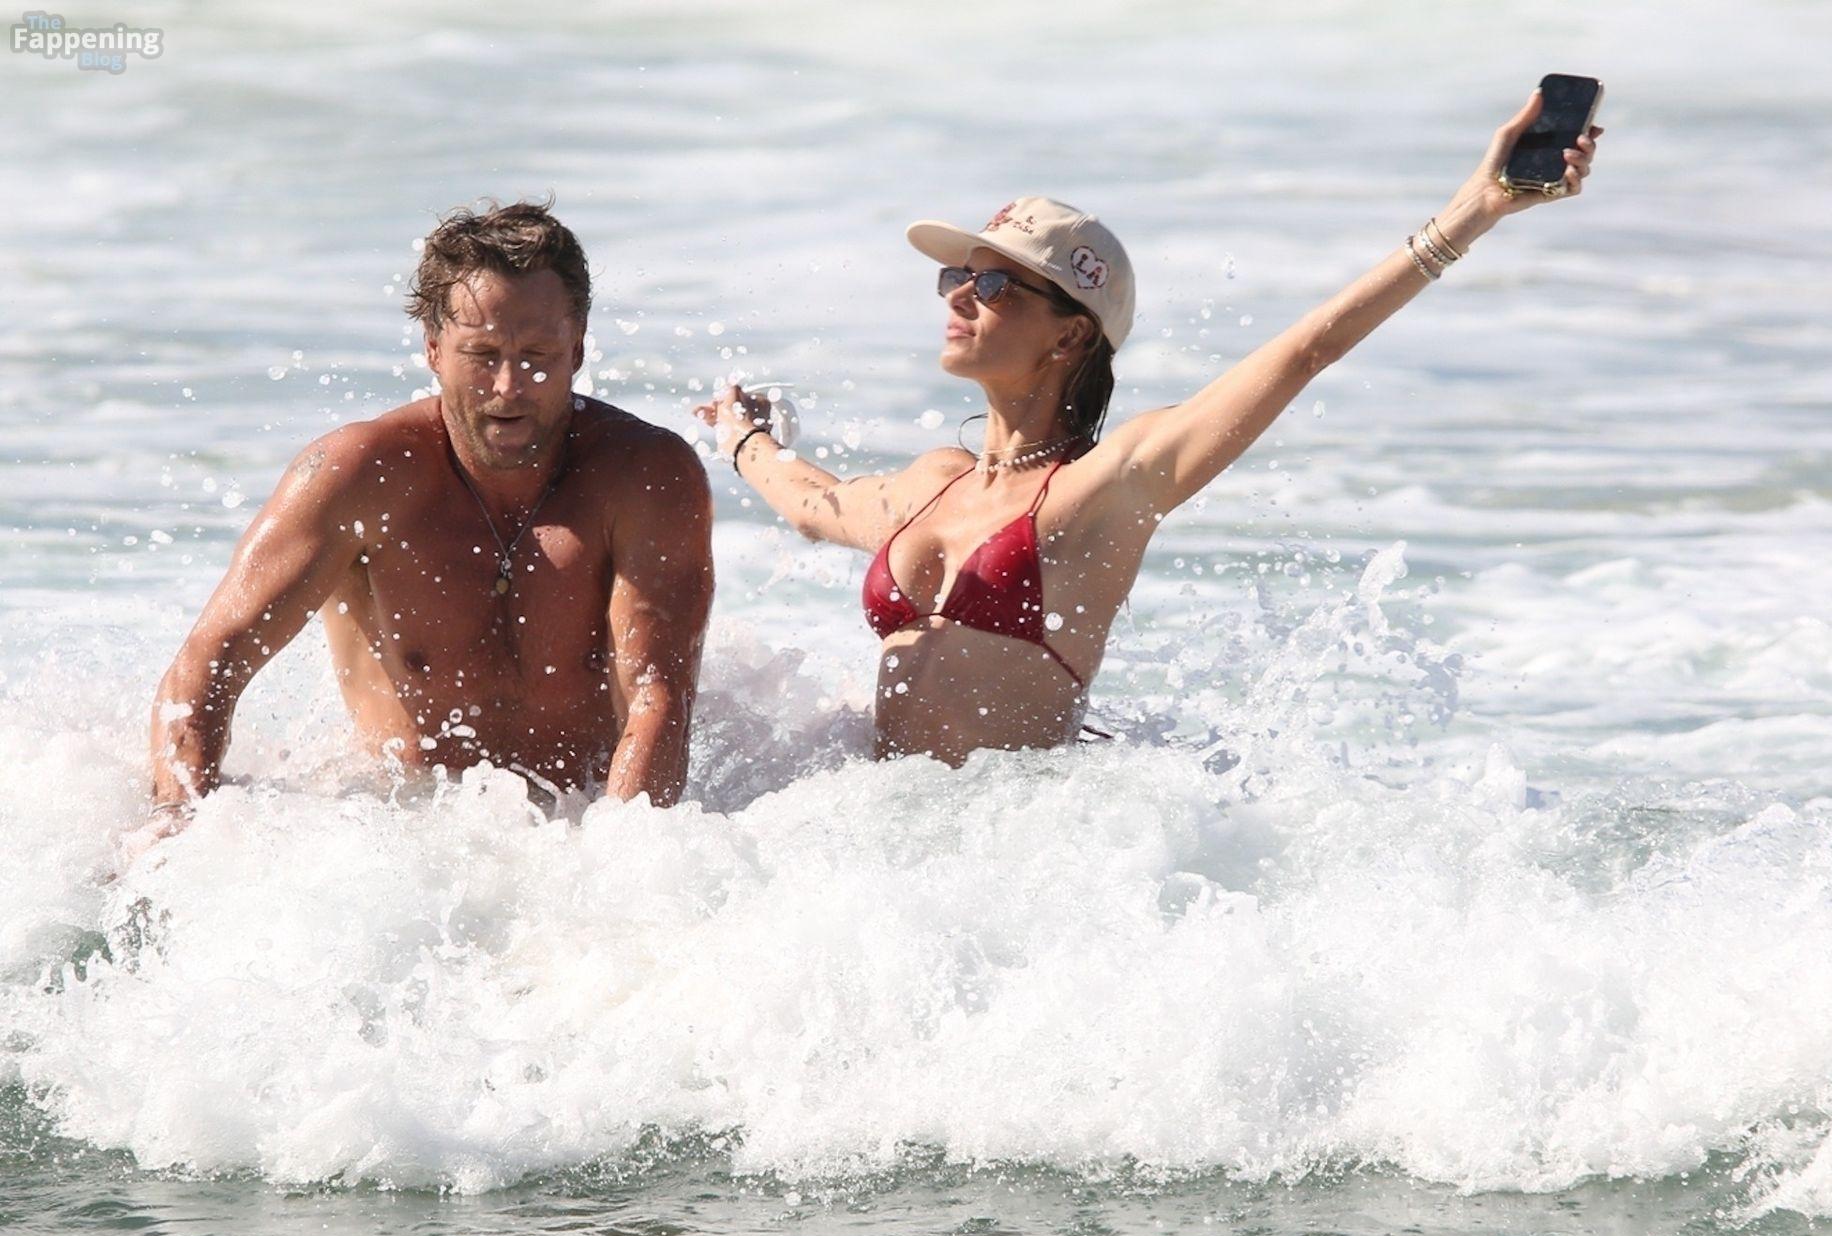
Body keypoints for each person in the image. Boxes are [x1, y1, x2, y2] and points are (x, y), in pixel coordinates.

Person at [701, 93, 1601, 765]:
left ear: (1071, 334)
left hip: (1011, 857)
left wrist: (1475, 211)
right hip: (885, 849)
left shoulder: (1108, 484)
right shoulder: (934, 481)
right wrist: (745, 438)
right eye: (956, 279)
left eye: (996, 283)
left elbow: (1304, 352)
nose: (962, 296)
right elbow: (815, 503)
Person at [145, 200, 713, 837]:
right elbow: (208, 664)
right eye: (482, 354)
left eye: (537, 353)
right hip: (402, 831)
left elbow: (658, 698)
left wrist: (620, 858)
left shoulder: (645, 476)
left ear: (577, 349)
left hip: (582, 820)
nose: (509, 386)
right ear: (434, 349)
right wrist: (175, 819)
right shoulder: (357, 476)